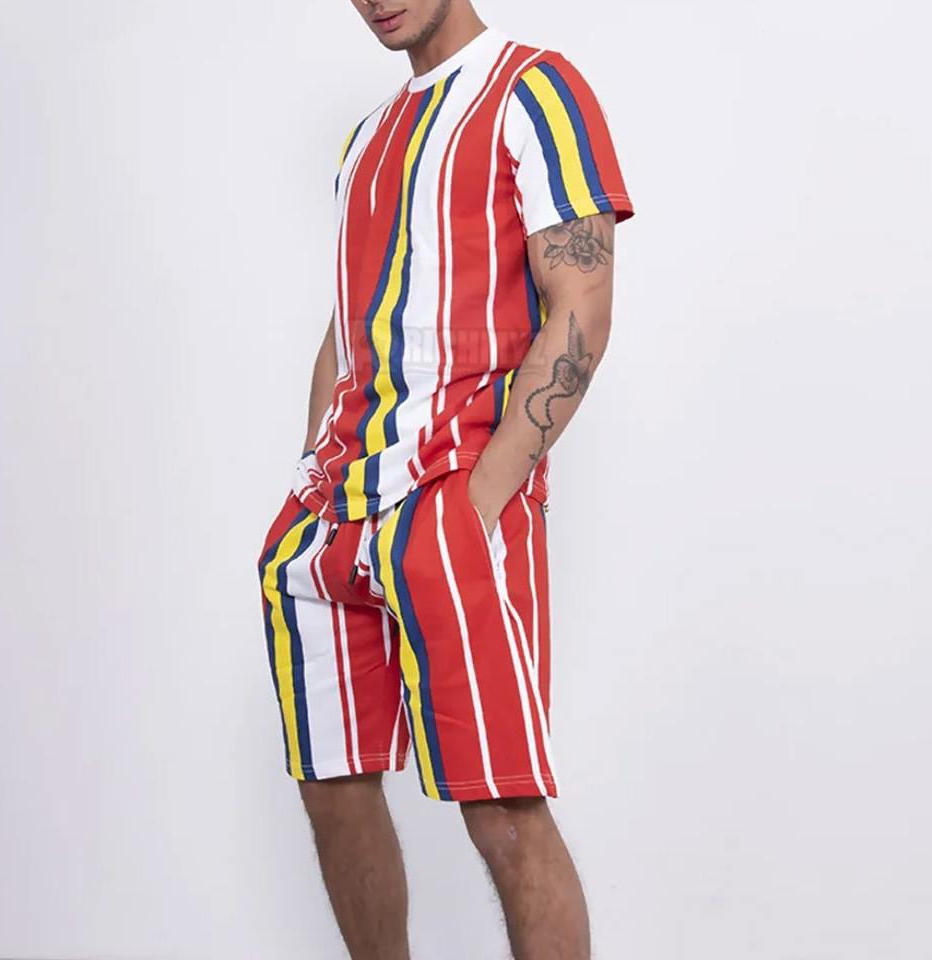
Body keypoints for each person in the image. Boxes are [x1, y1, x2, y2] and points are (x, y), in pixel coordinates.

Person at [257, 1, 635, 956]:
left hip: (453, 498)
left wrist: (478, 504)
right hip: (334, 514)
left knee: (503, 809)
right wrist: (307, 478)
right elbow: (349, 324)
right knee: (333, 790)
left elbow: (581, 306)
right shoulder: (364, 140)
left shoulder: (533, 89)